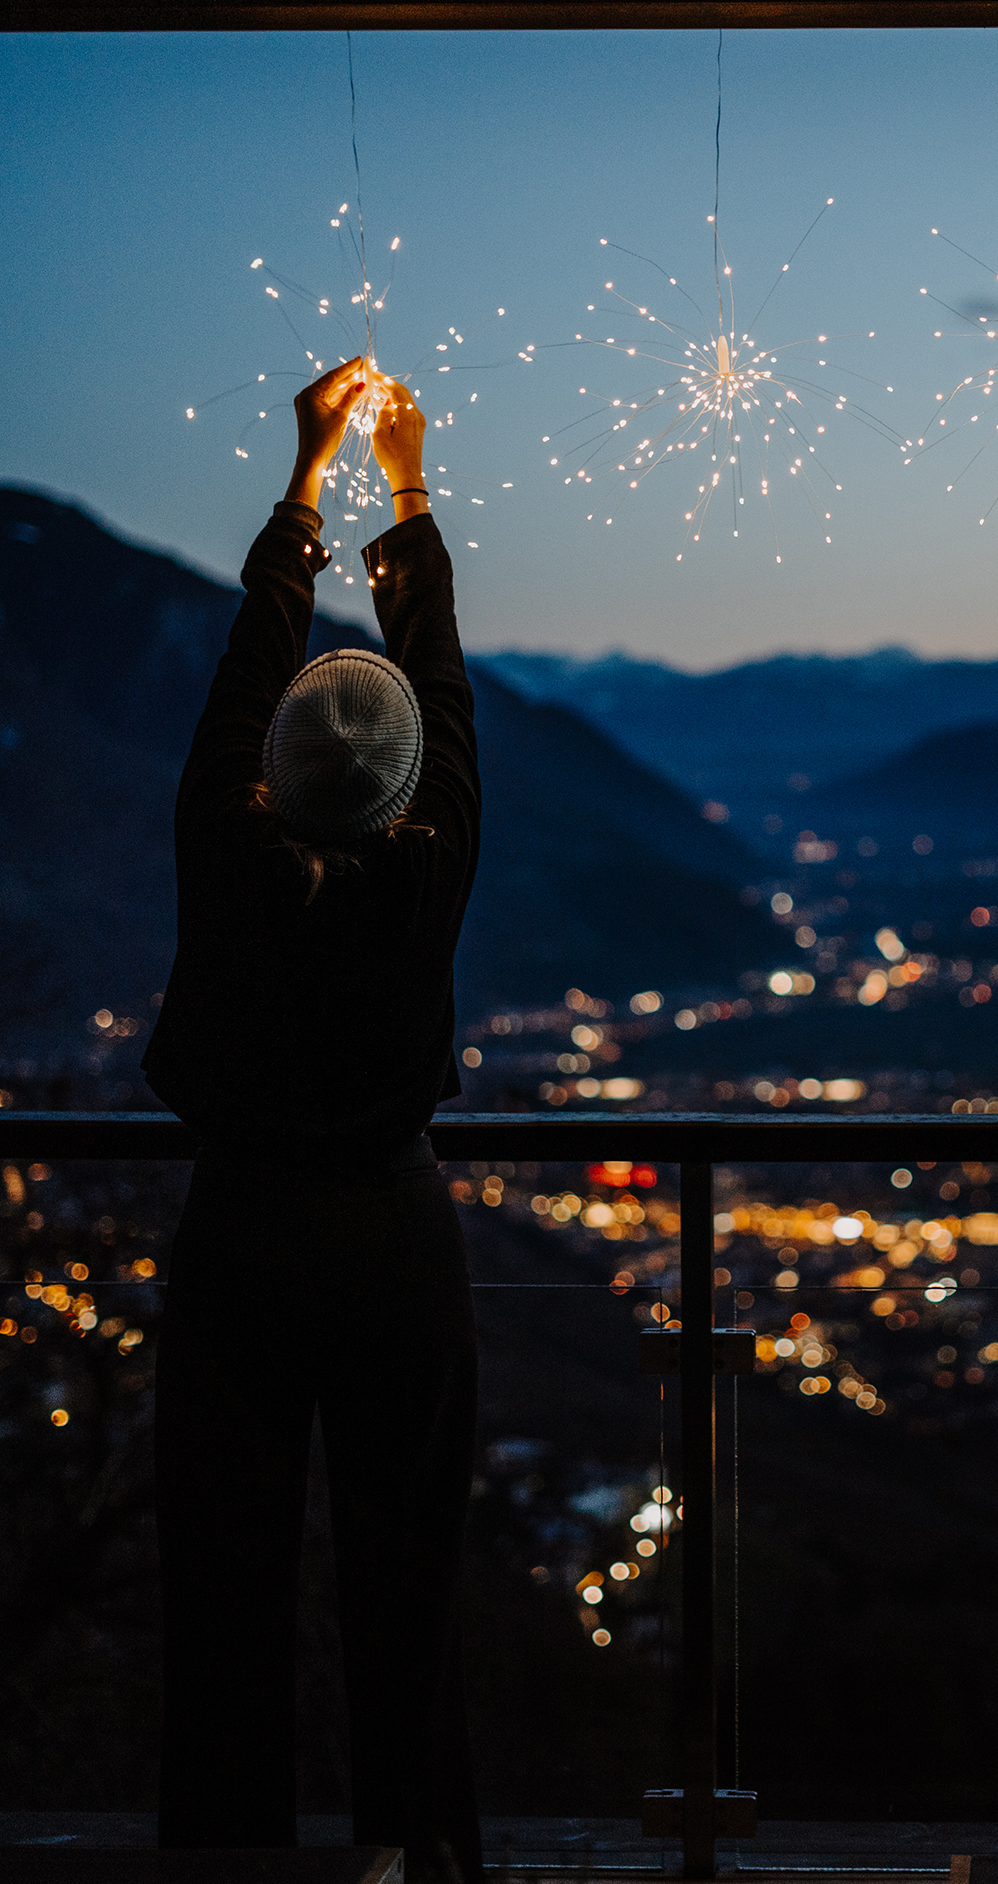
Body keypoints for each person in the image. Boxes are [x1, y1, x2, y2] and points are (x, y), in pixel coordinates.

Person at [144, 356, 483, 1884]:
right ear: (415, 789)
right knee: (411, 1573)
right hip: (396, 1235)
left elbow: (245, 670)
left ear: (267, 782)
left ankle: (227, 1863)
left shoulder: (224, 857)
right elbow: (448, 683)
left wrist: (309, 473)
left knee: (224, 1581)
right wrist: (407, 484)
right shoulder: (432, 866)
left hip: (241, 1234)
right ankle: (426, 1856)